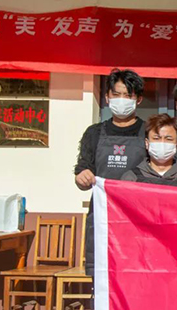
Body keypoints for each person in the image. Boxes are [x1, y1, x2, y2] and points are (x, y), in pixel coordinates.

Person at [73, 68, 147, 276]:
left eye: (128, 95)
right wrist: (82, 177)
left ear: (138, 99)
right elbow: (82, 170)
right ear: (107, 97)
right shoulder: (94, 133)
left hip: (136, 218)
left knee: (136, 276)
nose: (121, 100)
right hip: (102, 217)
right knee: (102, 276)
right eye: (116, 94)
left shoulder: (149, 132)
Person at [121, 114, 177, 188]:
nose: (162, 143)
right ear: (147, 143)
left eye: (168, 139)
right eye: (156, 138)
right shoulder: (131, 178)